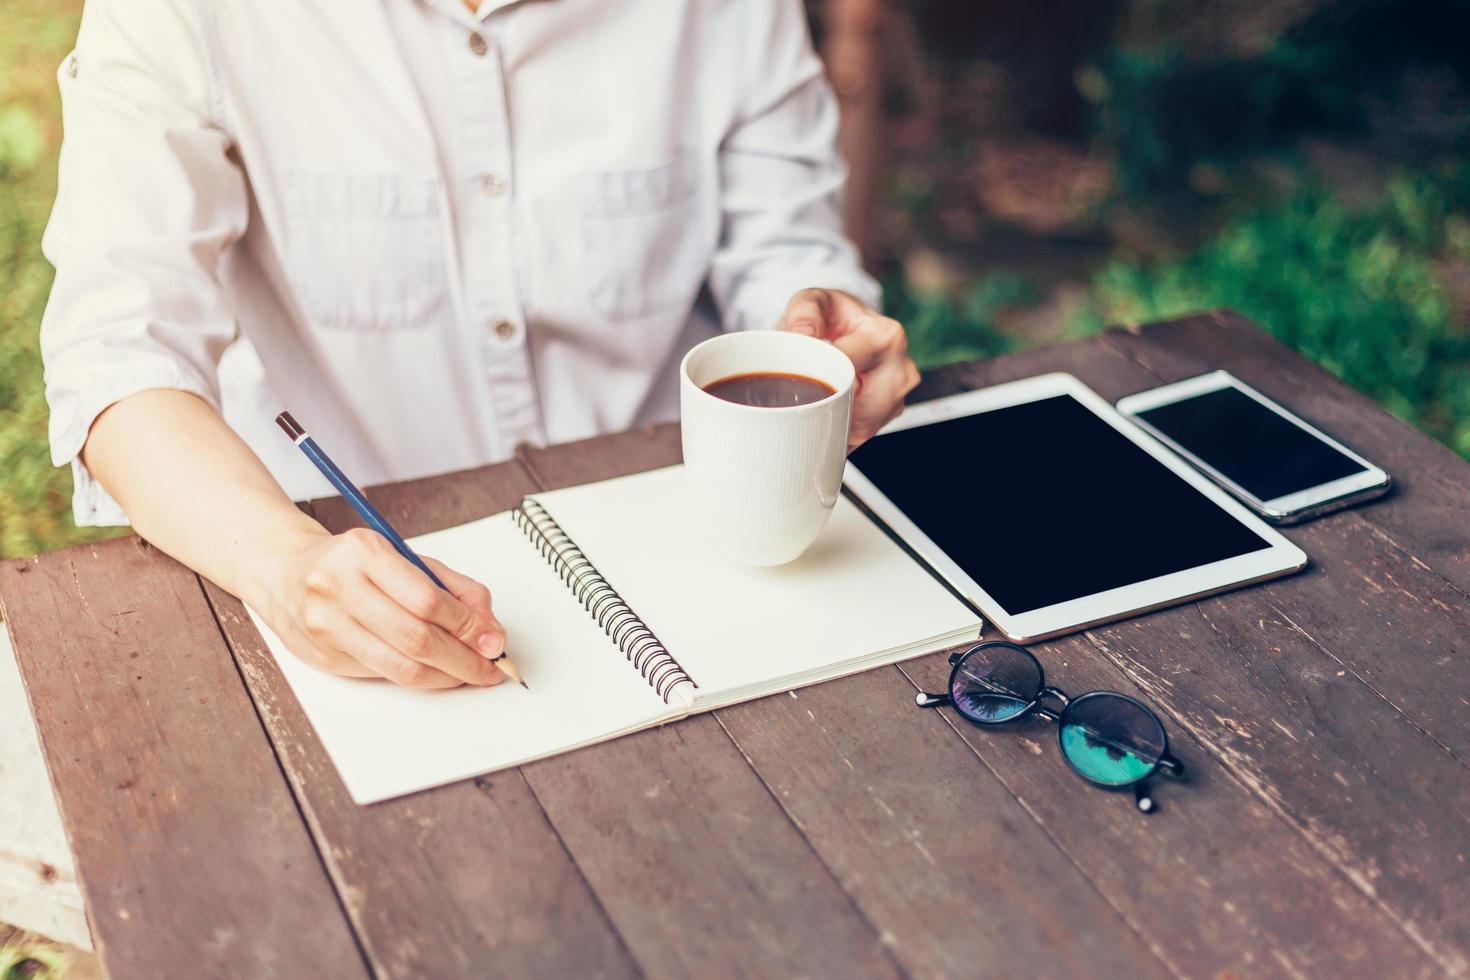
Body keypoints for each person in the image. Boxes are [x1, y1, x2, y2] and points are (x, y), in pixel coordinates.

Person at [39, 0, 920, 691]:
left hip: (678, 534)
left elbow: (783, 244)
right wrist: (281, 564)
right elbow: (116, 348)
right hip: (358, 551)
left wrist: (819, 322)